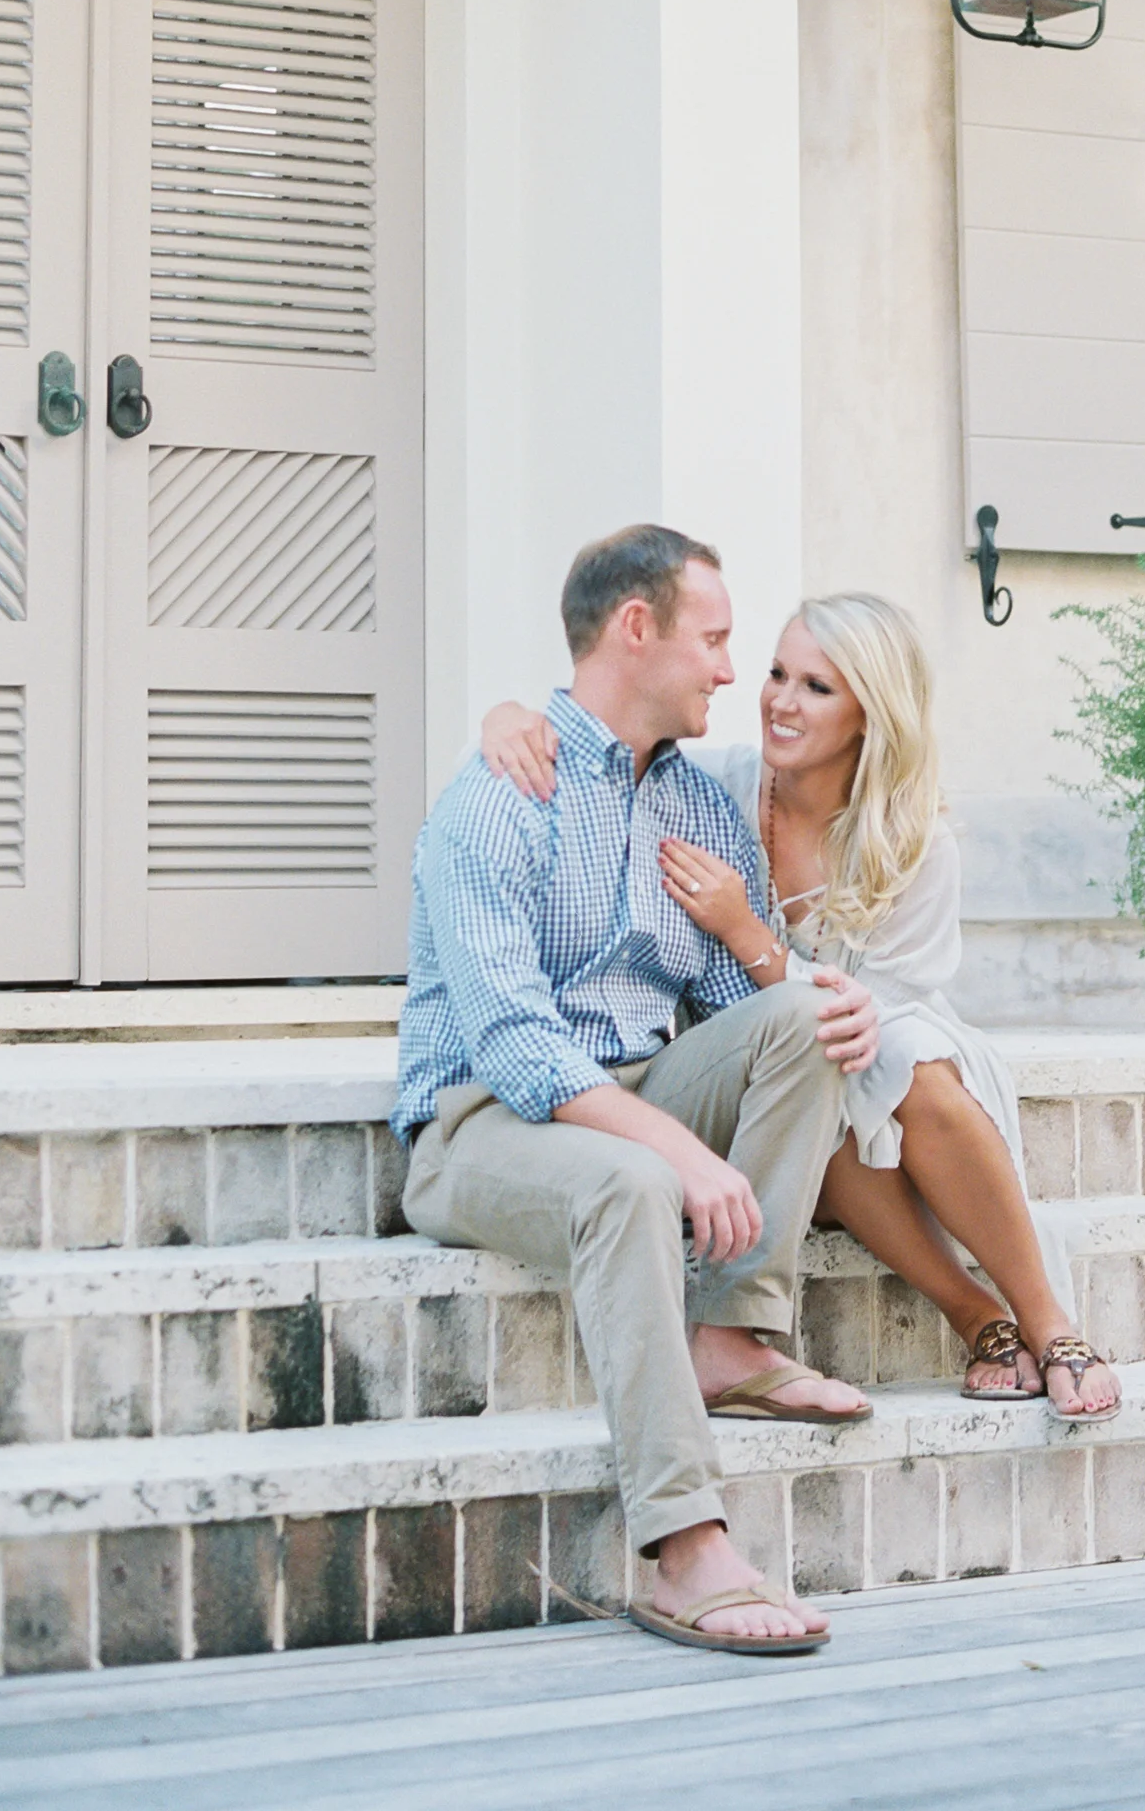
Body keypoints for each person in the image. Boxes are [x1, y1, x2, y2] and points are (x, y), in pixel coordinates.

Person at [394, 523, 880, 1659]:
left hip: (640, 1082)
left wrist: (811, 989)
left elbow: (737, 1004)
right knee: (626, 1182)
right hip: (481, 1124)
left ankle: (733, 1331)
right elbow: (516, 1050)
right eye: (713, 640)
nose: (729, 669)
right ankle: (684, 1547)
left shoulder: (699, 809)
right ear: (635, 629)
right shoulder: (496, 799)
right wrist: (680, 1151)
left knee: (805, 1021)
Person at [480, 590, 1121, 1419]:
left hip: (885, 1050)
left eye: (816, 688)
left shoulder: (917, 844)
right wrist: (504, 717)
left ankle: (1049, 1321)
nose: (780, 700)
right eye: (778, 673)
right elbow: (602, 738)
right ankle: (972, 1310)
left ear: (870, 712)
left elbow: (873, 1016)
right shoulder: (718, 791)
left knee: (899, 1062)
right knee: (824, 1069)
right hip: (765, 1072)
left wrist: (748, 932)